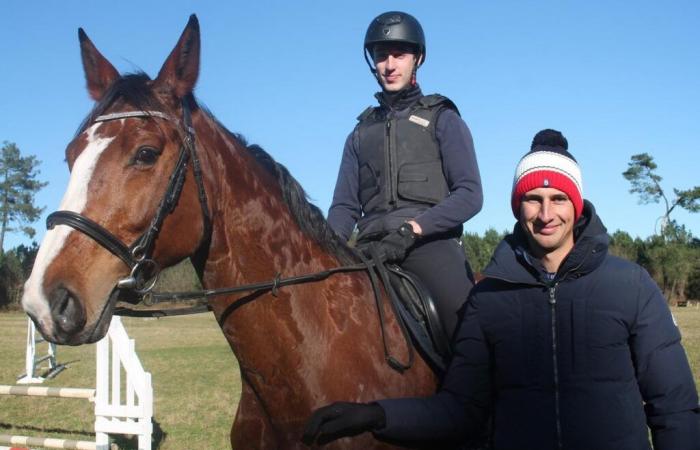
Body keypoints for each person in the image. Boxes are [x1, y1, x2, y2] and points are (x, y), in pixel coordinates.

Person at [304, 129, 700, 449]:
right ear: (517, 206)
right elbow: (459, 410)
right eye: (533, 199)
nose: (546, 215)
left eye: (558, 198)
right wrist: (376, 414)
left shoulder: (631, 286)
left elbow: (675, 409)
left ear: (577, 206)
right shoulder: (487, 300)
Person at [327, 11, 483, 338]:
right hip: (369, 248)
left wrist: (414, 230)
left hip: (428, 245)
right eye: (381, 56)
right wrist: (326, 250)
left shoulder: (443, 118)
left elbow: (470, 194)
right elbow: (344, 208)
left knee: (470, 324)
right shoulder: (358, 134)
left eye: (399, 55)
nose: (390, 64)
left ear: (418, 59)